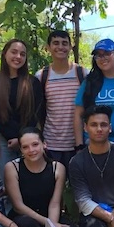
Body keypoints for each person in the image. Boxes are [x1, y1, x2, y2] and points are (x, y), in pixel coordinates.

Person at [5, 127, 82, 227]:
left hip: (48, 214)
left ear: (44, 144)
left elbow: (55, 203)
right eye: (25, 147)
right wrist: (48, 223)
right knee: (28, 225)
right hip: (24, 216)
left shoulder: (58, 168)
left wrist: (53, 226)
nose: (31, 150)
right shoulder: (12, 167)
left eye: (35, 144)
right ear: (21, 150)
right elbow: (18, 206)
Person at [0, 39, 44, 175]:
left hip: (28, 139)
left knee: (30, 178)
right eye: (14, 52)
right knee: (5, 179)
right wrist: (10, 136)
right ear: (5, 54)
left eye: (22, 54)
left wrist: (21, 138)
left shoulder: (33, 83)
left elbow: (37, 113)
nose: (18, 57)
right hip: (2, 138)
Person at [38, 30, 86, 166]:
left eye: (65, 43)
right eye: (55, 43)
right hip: (51, 144)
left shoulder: (81, 73)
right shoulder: (42, 76)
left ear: (71, 47)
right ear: (48, 48)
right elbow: (38, 110)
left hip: (78, 144)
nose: (60, 47)